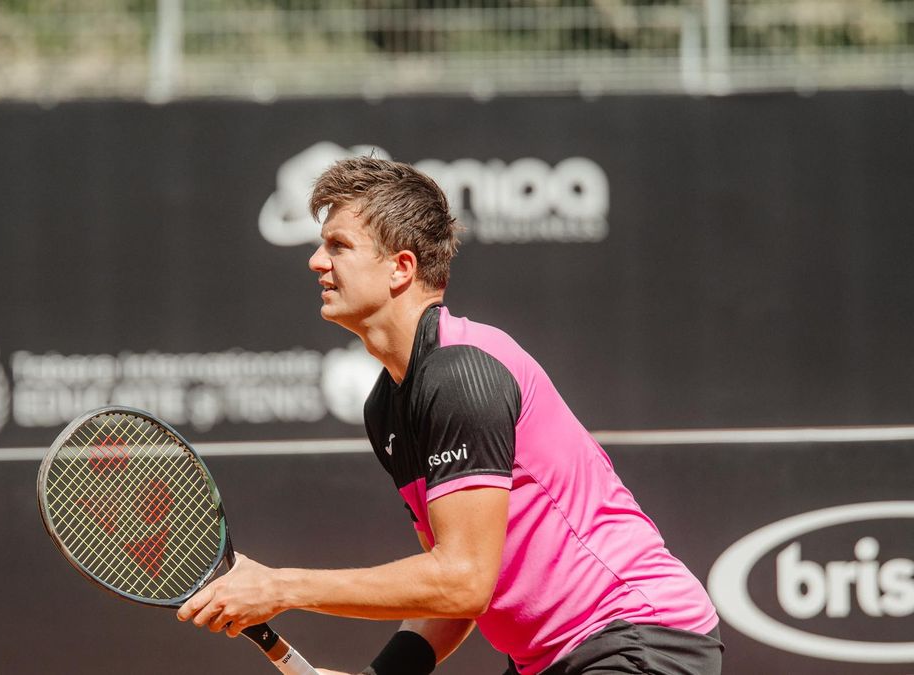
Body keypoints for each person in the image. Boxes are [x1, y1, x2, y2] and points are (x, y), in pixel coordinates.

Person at [177, 156, 723, 674]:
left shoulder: (460, 375)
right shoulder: (386, 407)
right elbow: (448, 594)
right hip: (555, 657)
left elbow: (462, 581)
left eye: (338, 245)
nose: (316, 260)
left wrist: (282, 587)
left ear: (400, 268)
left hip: (638, 636)